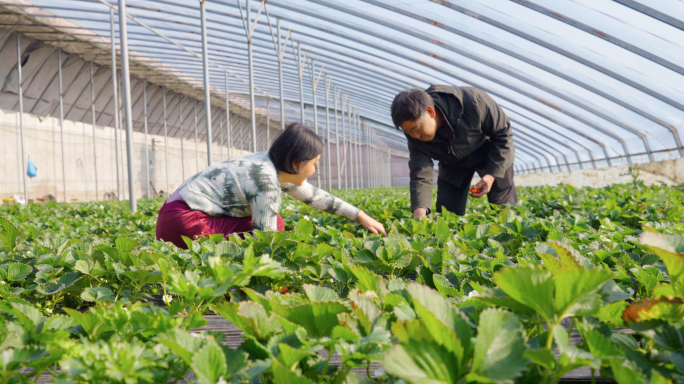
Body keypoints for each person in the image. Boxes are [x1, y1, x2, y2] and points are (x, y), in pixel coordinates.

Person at [156, 123, 386, 249]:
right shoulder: (264, 180)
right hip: (184, 225)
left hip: (175, 216)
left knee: (276, 223)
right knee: (274, 226)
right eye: (315, 164)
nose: (316, 170)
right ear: (297, 163)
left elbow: (313, 196)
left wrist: (360, 215)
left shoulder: (268, 163)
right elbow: (266, 238)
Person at [391, 85, 517, 218]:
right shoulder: (414, 135)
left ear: (430, 112)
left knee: (504, 209)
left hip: (490, 153)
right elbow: (420, 170)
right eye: (408, 131)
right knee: (448, 215)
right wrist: (419, 211)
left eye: (416, 128)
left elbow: (503, 134)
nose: (415, 135)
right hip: (452, 162)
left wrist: (491, 175)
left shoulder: (473, 101)